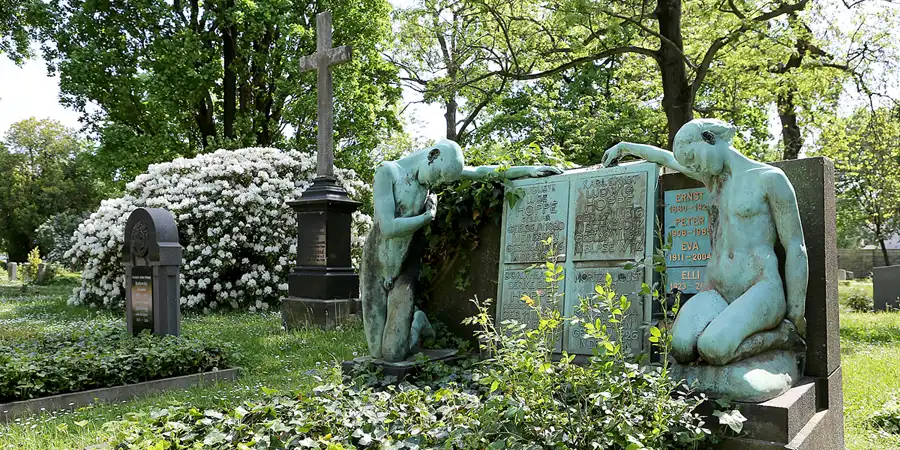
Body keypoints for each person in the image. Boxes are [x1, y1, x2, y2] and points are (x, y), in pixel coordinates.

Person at [602, 119, 808, 368]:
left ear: (710, 138)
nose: (693, 166)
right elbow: (665, 158)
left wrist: (796, 313)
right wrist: (624, 147)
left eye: (692, 157)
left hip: (760, 289)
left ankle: (781, 337)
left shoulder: (770, 179)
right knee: (678, 346)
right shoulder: (713, 179)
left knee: (714, 348)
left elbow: (796, 246)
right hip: (719, 291)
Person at [361, 139, 562, 362]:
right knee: (375, 352)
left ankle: (418, 321)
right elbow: (388, 228)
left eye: (441, 181)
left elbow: (481, 172)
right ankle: (413, 320)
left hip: (405, 266)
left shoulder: (431, 175)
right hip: (375, 265)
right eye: (437, 176)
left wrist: (529, 170)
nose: (436, 184)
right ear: (432, 155)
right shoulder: (387, 172)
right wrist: (427, 217)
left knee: (392, 354)